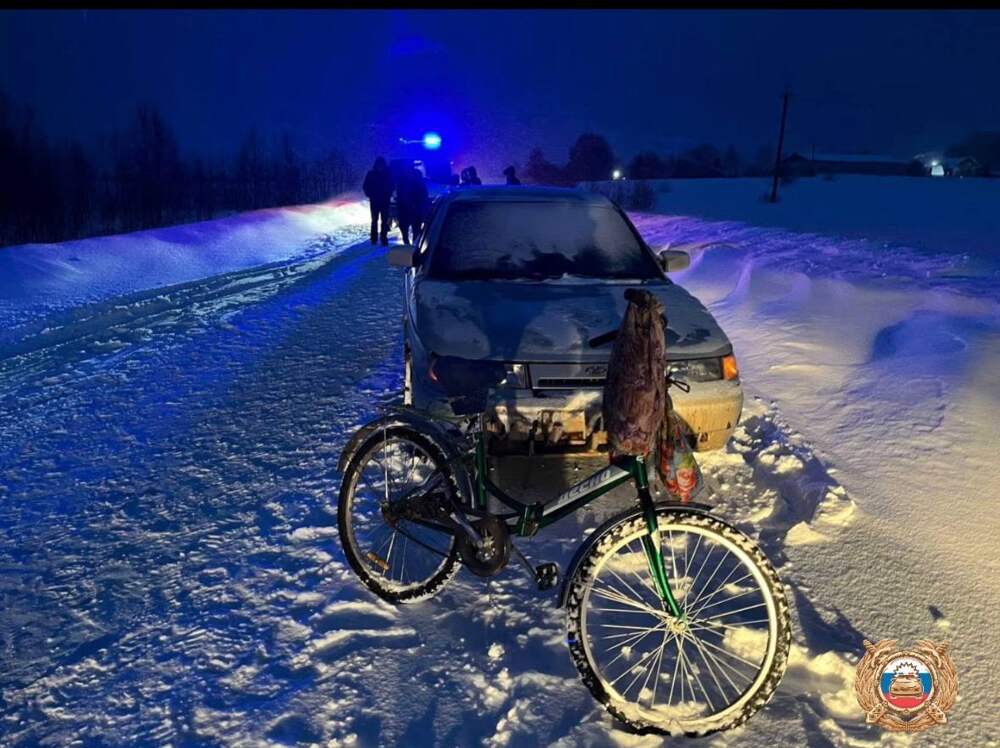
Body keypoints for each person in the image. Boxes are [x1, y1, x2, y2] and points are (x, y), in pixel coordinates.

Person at [362, 156, 393, 245]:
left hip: (383, 201)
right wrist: (370, 195)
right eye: (379, 164)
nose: (380, 166)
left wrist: (388, 194)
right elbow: (365, 186)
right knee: (375, 221)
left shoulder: (387, 174)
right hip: (376, 201)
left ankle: (383, 238)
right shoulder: (372, 174)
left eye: (381, 164)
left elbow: (392, 185)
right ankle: (374, 238)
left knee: (383, 221)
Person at [396, 166, 428, 245]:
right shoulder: (417, 179)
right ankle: (413, 244)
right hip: (414, 208)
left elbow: (400, 194)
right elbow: (424, 194)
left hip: (407, 208)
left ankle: (408, 243)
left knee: (406, 228)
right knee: (415, 228)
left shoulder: (403, 179)